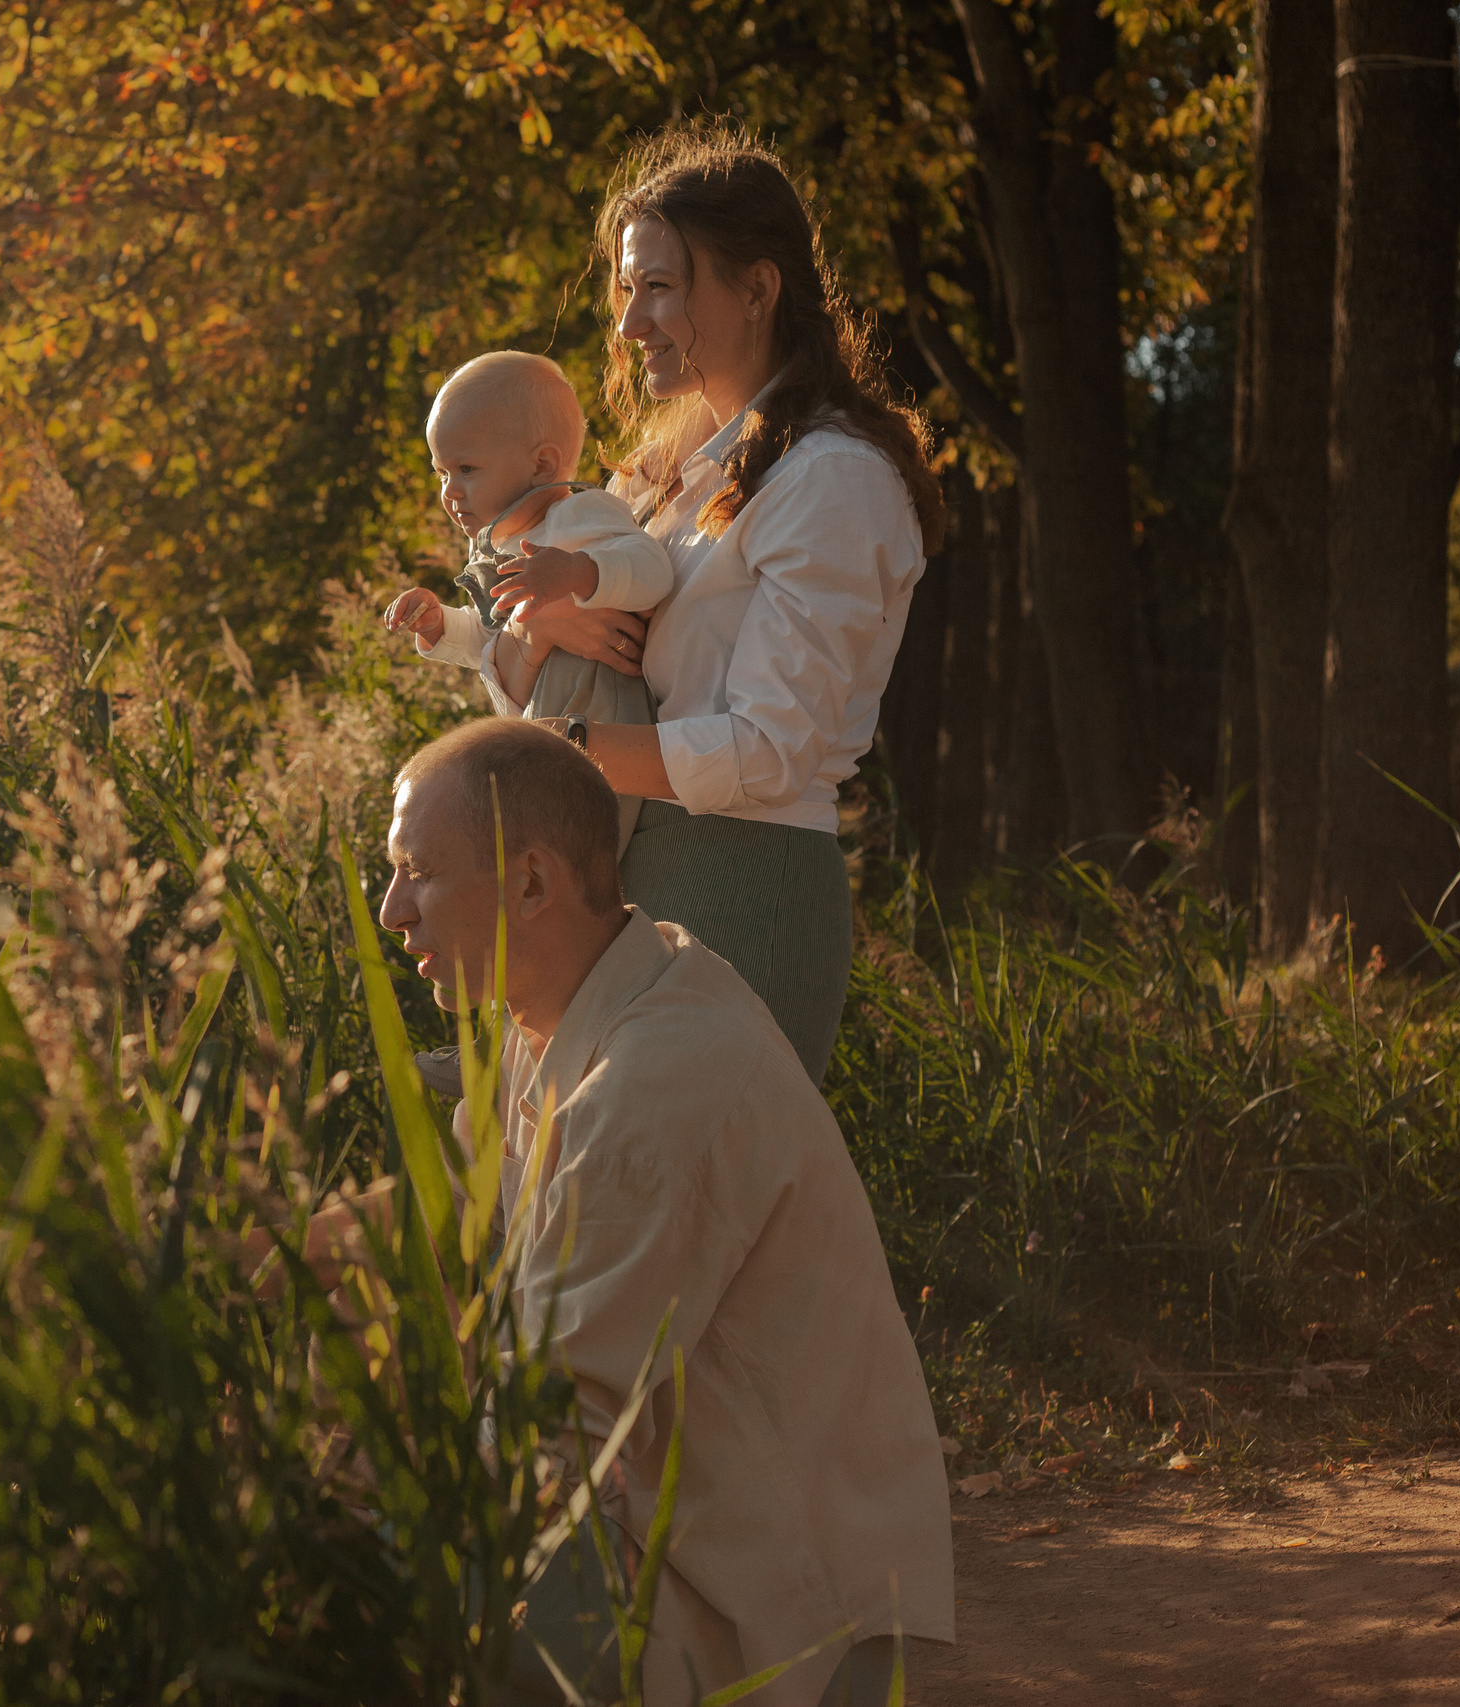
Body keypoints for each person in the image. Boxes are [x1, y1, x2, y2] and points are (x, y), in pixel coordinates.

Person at [375, 717, 954, 1707]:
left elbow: (550, 1417)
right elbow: (439, 1234)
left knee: (374, 1591)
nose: (391, 911)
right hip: (680, 1534)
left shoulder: (659, 1076)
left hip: (787, 1622)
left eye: (418, 873)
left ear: (530, 883)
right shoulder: (556, 1017)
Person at [473, 127, 947, 1093]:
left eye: (658, 287)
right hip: (635, 889)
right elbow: (580, 679)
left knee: (683, 1220)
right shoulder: (669, 487)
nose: (627, 324)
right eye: (625, 290)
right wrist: (535, 631)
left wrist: (565, 747)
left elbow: (770, 751)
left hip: (744, 886)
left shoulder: (833, 481)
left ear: (758, 289)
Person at [381, 350, 672, 850]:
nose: (450, 493)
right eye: (441, 473)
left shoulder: (578, 516)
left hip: (608, 736)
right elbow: (492, 641)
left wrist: (579, 573)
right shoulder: (498, 548)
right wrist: (441, 626)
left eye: (466, 468)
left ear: (542, 464)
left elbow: (653, 571)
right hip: (553, 739)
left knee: (566, 851)